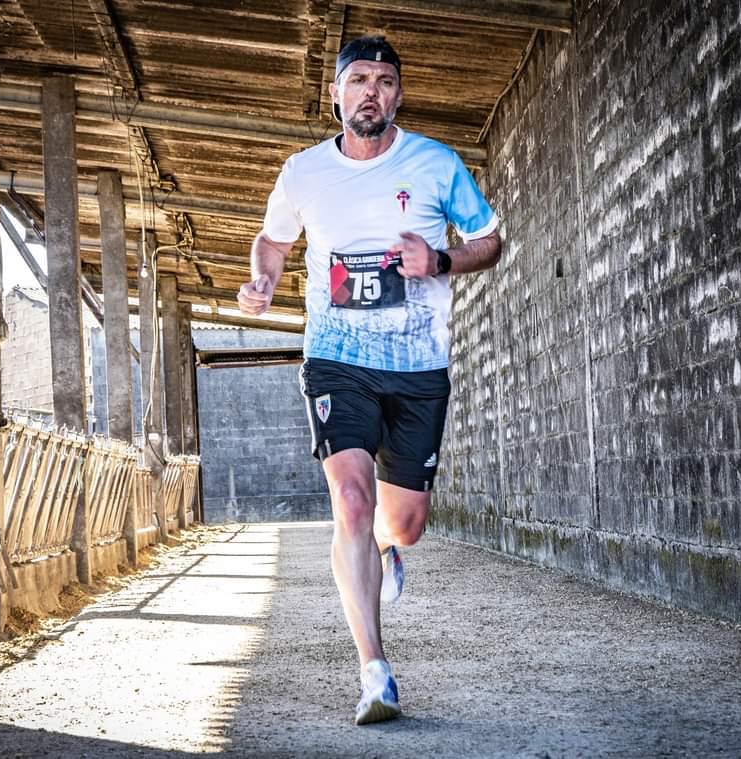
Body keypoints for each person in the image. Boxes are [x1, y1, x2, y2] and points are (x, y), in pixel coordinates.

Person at [237, 35, 502, 725]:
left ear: (399, 95)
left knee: (404, 525)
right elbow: (273, 239)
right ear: (335, 93)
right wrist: (263, 277)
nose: (371, 92)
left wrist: (439, 261)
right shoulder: (303, 172)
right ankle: (375, 672)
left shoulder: (436, 163)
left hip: (417, 366)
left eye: (385, 80)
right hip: (337, 358)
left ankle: (388, 546)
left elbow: (490, 241)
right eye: (358, 79)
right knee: (350, 502)